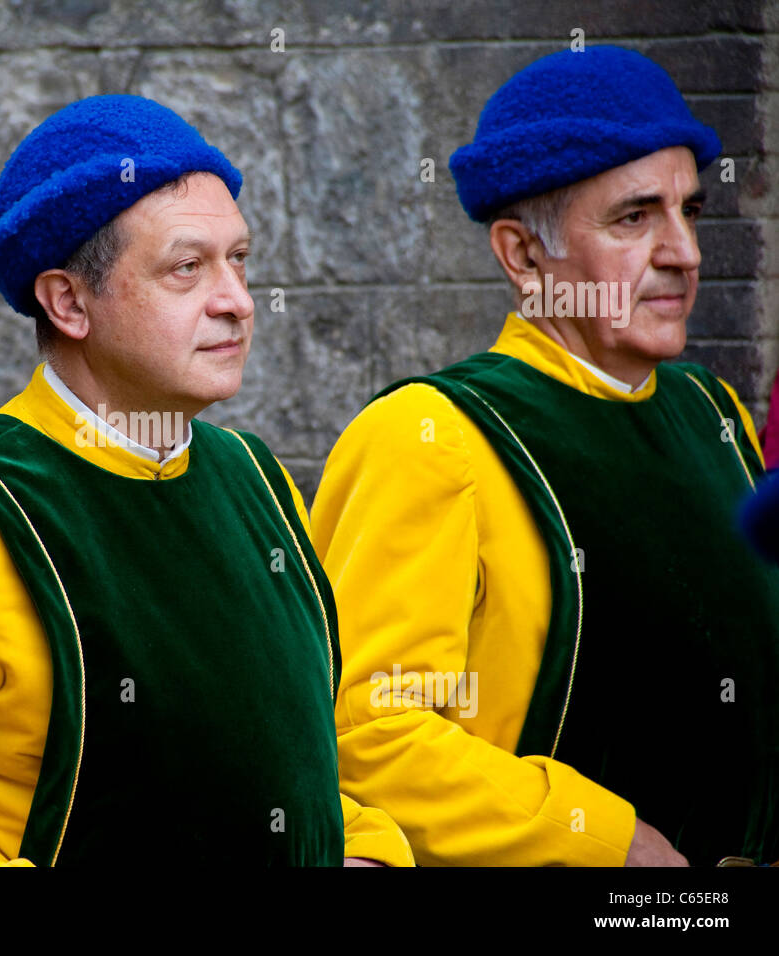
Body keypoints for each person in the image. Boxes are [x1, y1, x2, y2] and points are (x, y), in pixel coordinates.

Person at [0, 94, 413, 866]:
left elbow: (299, 768)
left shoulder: (257, 482)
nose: (238, 303)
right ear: (69, 302)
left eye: (239, 260)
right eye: (187, 268)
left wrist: (370, 852)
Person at [311, 46, 779, 867]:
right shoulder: (433, 436)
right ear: (524, 256)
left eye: (690, 211)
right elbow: (367, 735)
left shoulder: (712, 414)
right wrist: (603, 839)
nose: (684, 253)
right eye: (634, 218)